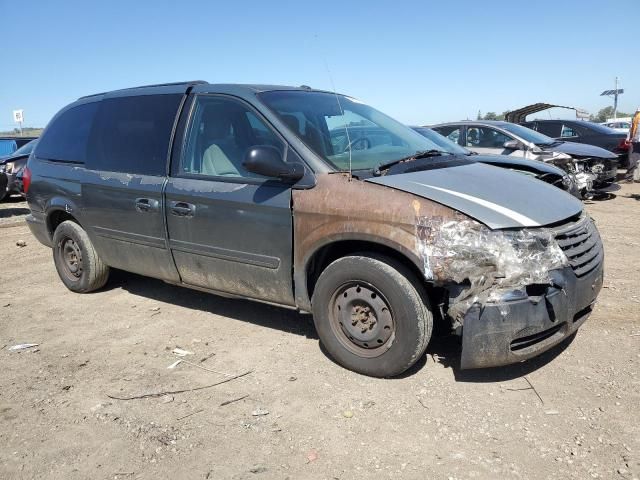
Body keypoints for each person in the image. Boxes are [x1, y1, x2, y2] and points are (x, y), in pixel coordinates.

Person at [626, 108, 640, 182]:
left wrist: (629, 139)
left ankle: (629, 177)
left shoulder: (636, 118)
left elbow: (633, 129)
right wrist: (628, 138)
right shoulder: (635, 119)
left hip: (636, 142)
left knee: (632, 159)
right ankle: (630, 177)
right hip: (635, 141)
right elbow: (632, 129)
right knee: (632, 159)